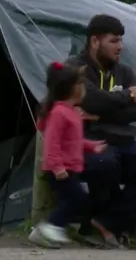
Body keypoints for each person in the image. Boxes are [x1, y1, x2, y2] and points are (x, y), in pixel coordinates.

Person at [65, 14, 136, 247]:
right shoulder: (74, 67)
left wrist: (99, 111)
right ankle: (104, 227)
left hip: (122, 140)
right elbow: (89, 97)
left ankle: (103, 223)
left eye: (121, 40)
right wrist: (127, 96)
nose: (120, 46)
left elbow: (135, 113)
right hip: (86, 139)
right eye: (114, 40)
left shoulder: (125, 72)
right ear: (95, 41)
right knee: (105, 164)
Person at [28, 62, 108, 247]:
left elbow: (71, 141)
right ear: (71, 89)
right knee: (76, 198)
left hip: (70, 167)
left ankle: (45, 230)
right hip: (60, 168)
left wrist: (91, 146)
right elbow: (52, 142)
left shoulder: (70, 112)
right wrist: (57, 166)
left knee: (73, 199)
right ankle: (51, 226)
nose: (84, 88)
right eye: (81, 84)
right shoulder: (59, 113)